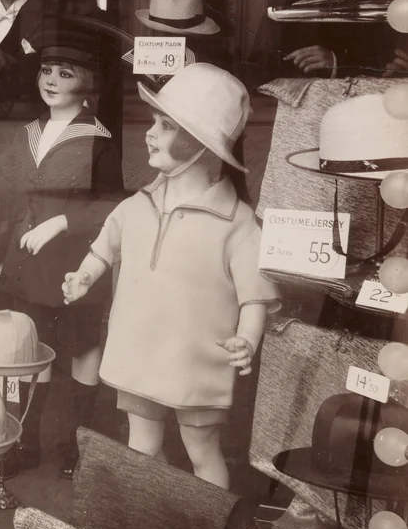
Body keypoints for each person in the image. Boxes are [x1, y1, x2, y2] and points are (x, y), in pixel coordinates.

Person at [63, 64, 279, 489]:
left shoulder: (237, 223)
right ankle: (150, 515)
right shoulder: (137, 205)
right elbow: (104, 247)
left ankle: (206, 521)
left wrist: (248, 339)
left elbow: (254, 296)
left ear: (203, 144)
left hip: (196, 362)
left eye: (165, 126)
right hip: (140, 355)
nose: (149, 133)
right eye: (154, 122)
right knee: (141, 446)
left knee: (202, 450)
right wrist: (85, 275)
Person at [0, 33, 119, 478]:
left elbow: (112, 207)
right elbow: (1, 191)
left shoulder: (99, 141)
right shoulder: (28, 135)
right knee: (28, 348)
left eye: (65, 73)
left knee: (81, 347)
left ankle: (77, 443)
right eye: (46, 71)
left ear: (88, 82)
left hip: (77, 265)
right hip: (28, 264)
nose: (51, 80)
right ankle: (26, 442)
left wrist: (62, 223)